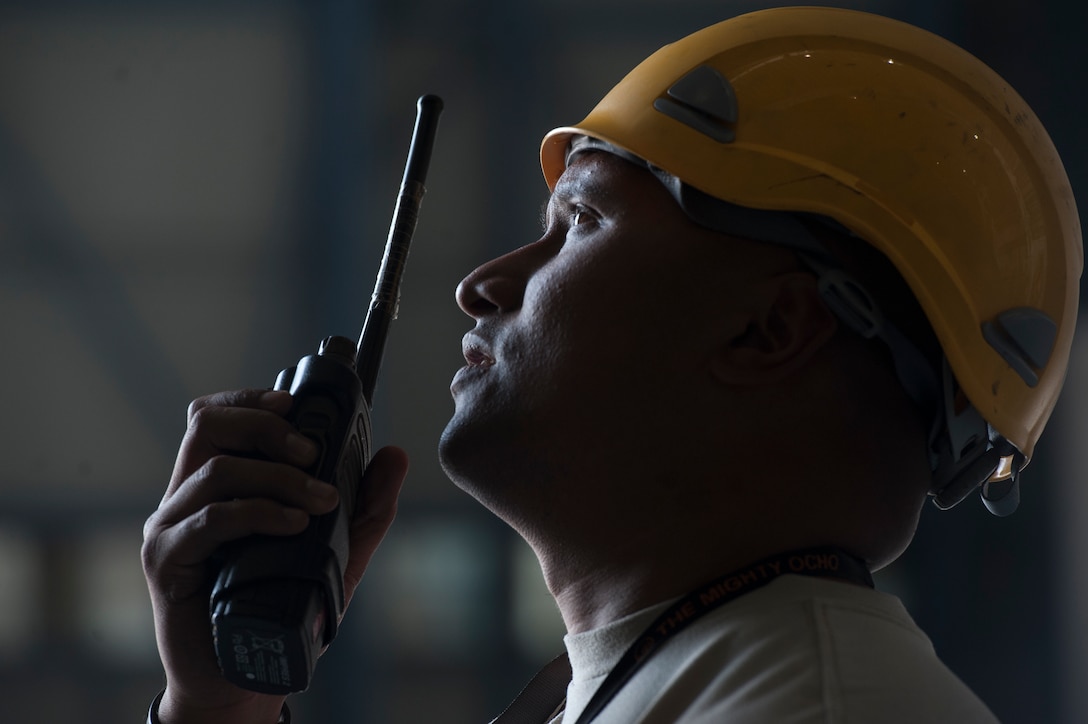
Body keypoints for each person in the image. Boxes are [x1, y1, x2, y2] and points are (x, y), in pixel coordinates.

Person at [141, 6, 1082, 723]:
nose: (484, 282)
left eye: (581, 223)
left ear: (769, 330)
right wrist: (219, 707)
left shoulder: (811, 709)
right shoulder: (683, 682)